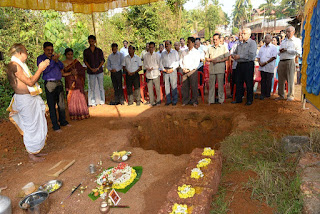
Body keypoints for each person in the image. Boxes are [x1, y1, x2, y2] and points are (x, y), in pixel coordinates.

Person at [7, 44, 50, 162]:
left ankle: (35, 151)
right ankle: (31, 153)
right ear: (20, 53)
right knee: (30, 126)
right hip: (24, 100)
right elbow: (30, 82)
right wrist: (40, 69)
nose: (27, 54)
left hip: (29, 99)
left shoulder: (19, 65)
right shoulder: (15, 66)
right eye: (26, 52)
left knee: (35, 123)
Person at [37, 42, 69, 131]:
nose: (50, 52)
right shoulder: (41, 59)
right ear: (44, 50)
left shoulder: (55, 58)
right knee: (52, 105)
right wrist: (52, 61)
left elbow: (62, 66)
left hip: (58, 82)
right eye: (48, 50)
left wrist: (56, 60)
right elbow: (45, 70)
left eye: (51, 50)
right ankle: (55, 125)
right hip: (49, 83)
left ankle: (63, 121)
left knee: (61, 103)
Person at [231, 28, 257, 106]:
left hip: (248, 64)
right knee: (238, 82)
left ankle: (249, 100)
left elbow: (251, 55)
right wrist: (234, 55)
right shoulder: (240, 43)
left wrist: (239, 56)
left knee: (249, 83)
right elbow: (235, 52)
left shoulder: (252, 43)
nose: (242, 35)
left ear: (249, 35)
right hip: (239, 64)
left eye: (244, 33)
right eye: (242, 33)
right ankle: (239, 99)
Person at [62, 48, 90, 120]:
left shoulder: (76, 62)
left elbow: (81, 70)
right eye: (68, 54)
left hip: (78, 81)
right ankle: (74, 114)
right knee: (71, 96)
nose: (70, 56)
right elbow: (62, 74)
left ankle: (83, 113)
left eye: (71, 54)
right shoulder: (63, 63)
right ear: (65, 55)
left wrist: (79, 71)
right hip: (69, 82)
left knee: (80, 95)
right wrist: (71, 73)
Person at [277, 26, 302, 101]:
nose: (287, 33)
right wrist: (280, 51)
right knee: (280, 79)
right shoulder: (283, 41)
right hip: (281, 60)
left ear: (293, 32)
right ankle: (281, 95)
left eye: (289, 31)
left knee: (290, 78)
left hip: (290, 60)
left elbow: (299, 52)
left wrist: (287, 50)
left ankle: (290, 95)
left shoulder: (296, 41)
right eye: (286, 31)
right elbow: (278, 52)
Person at [206, 33, 229, 104]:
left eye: (216, 39)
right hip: (212, 69)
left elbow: (227, 57)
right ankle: (211, 100)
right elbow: (206, 58)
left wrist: (218, 61)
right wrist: (211, 60)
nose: (215, 41)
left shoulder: (224, 47)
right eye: (214, 39)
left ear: (219, 40)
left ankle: (221, 100)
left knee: (220, 86)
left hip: (220, 68)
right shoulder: (210, 48)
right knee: (211, 86)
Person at [83, 35, 105, 107]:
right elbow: (85, 61)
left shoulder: (99, 50)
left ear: (95, 41)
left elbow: (102, 60)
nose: (91, 42)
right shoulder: (86, 51)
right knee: (91, 87)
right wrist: (91, 68)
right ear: (88, 41)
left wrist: (98, 68)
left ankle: (102, 101)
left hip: (99, 71)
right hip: (90, 71)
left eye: (92, 41)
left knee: (101, 86)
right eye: (90, 41)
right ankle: (92, 102)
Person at [180, 37, 201, 106]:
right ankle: (185, 101)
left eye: (189, 42)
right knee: (185, 87)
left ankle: (194, 101)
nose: (187, 43)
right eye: (187, 42)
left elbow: (196, 63)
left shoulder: (196, 52)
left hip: (192, 71)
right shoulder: (184, 52)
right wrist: (183, 68)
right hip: (184, 70)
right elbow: (180, 61)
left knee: (194, 86)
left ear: (192, 43)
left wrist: (189, 69)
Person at [257, 34, 278, 100]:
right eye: (265, 38)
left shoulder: (273, 47)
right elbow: (258, 56)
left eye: (268, 38)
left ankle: (267, 94)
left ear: (271, 39)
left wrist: (265, 63)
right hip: (262, 67)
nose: (267, 39)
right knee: (263, 80)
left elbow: (274, 57)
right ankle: (262, 93)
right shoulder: (262, 47)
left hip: (269, 67)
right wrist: (259, 62)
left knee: (268, 80)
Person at [161, 40, 179, 106]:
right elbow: (161, 63)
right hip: (165, 71)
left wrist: (172, 69)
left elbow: (177, 62)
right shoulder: (163, 53)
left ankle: (174, 100)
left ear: (171, 45)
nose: (166, 46)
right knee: (166, 86)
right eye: (165, 45)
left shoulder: (175, 52)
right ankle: (168, 100)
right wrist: (164, 70)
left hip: (173, 70)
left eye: (168, 44)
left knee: (173, 86)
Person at [144, 42, 162, 106]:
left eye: (152, 47)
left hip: (156, 73)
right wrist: (147, 68)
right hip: (149, 74)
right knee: (150, 89)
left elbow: (159, 64)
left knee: (157, 88)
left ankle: (158, 101)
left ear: (154, 48)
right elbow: (145, 64)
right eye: (150, 47)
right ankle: (152, 102)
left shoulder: (157, 55)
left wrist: (153, 68)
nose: (151, 49)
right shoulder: (146, 55)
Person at [230, 33, 242, 98]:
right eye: (239, 35)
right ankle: (233, 94)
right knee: (234, 80)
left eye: (241, 35)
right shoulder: (235, 44)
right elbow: (231, 53)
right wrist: (235, 56)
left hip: (243, 66)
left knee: (241, 81)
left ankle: (240, 94)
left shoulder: (247, 44)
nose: (240, 36)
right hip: (235, 65)